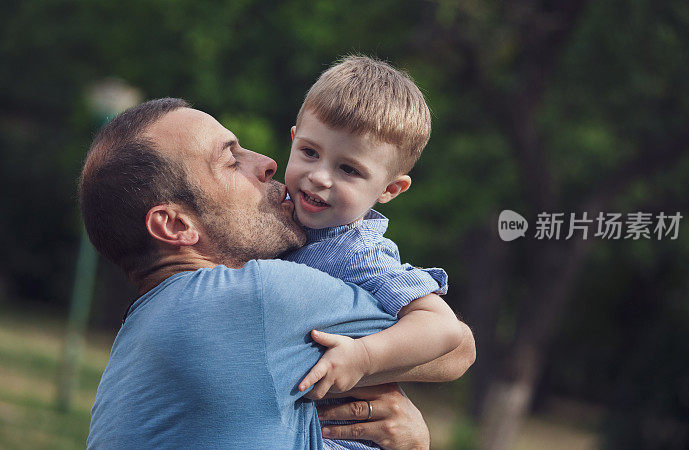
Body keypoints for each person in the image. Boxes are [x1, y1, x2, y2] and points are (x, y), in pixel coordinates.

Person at [80, 98, 476, 449]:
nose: (268, 163)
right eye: (231, 161)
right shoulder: (257, 297)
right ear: (176, 225)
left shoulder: (134, 342)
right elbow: (457, 347)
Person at [281, 56, 462, 450]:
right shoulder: (275, 215)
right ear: (294, 138)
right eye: (309, 152)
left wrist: (363, 356)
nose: (319, 176)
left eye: (348, 169)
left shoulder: (357, 252)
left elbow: (444, 328)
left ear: (389, 190)